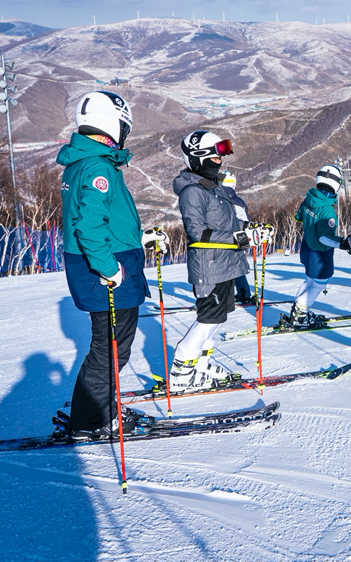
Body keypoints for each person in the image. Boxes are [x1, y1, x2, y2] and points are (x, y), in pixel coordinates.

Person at [57, 90, 159, 438]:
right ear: (111, 124)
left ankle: (98, 409)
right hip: (106, 273)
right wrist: (109, 268)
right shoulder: (98, 166)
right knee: (111, 350)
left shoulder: (85, 162)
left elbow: (99, 219)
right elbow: (88, 225)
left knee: (110, 347)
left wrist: (136, 241)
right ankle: (90, 422)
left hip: (107, 261)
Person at [170, 130, 271, 392]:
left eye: (221, 153)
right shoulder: (193, 192)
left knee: (219, 317)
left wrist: (253, 230)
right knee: (209, 318)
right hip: (210, 266)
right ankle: (182, 370)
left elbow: (230, 222)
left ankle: (200, 365)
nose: (220, 159)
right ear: (198, 158)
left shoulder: (214, 187)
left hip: (227, 265)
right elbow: (199, 234)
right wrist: (240, 237)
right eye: (214, 155)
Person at [283, 164, 351, 327]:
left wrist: (309, 219)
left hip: (306, 249)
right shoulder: (327, 211)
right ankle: (300, 315)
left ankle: (299, 310)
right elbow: (324, 238)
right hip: (319, 254)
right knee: (318, 284)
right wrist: (343, 243)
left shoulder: (309, 199)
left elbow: (298, 217)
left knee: (309, 280)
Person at [221, 171, 254, 305]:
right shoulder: (239, 202)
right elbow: (246, 221)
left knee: (221, 266)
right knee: (237, 266)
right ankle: (244, 293)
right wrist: (244, 242)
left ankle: (221, 298)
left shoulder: (216, 197)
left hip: (220, 238)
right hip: (239, 237)